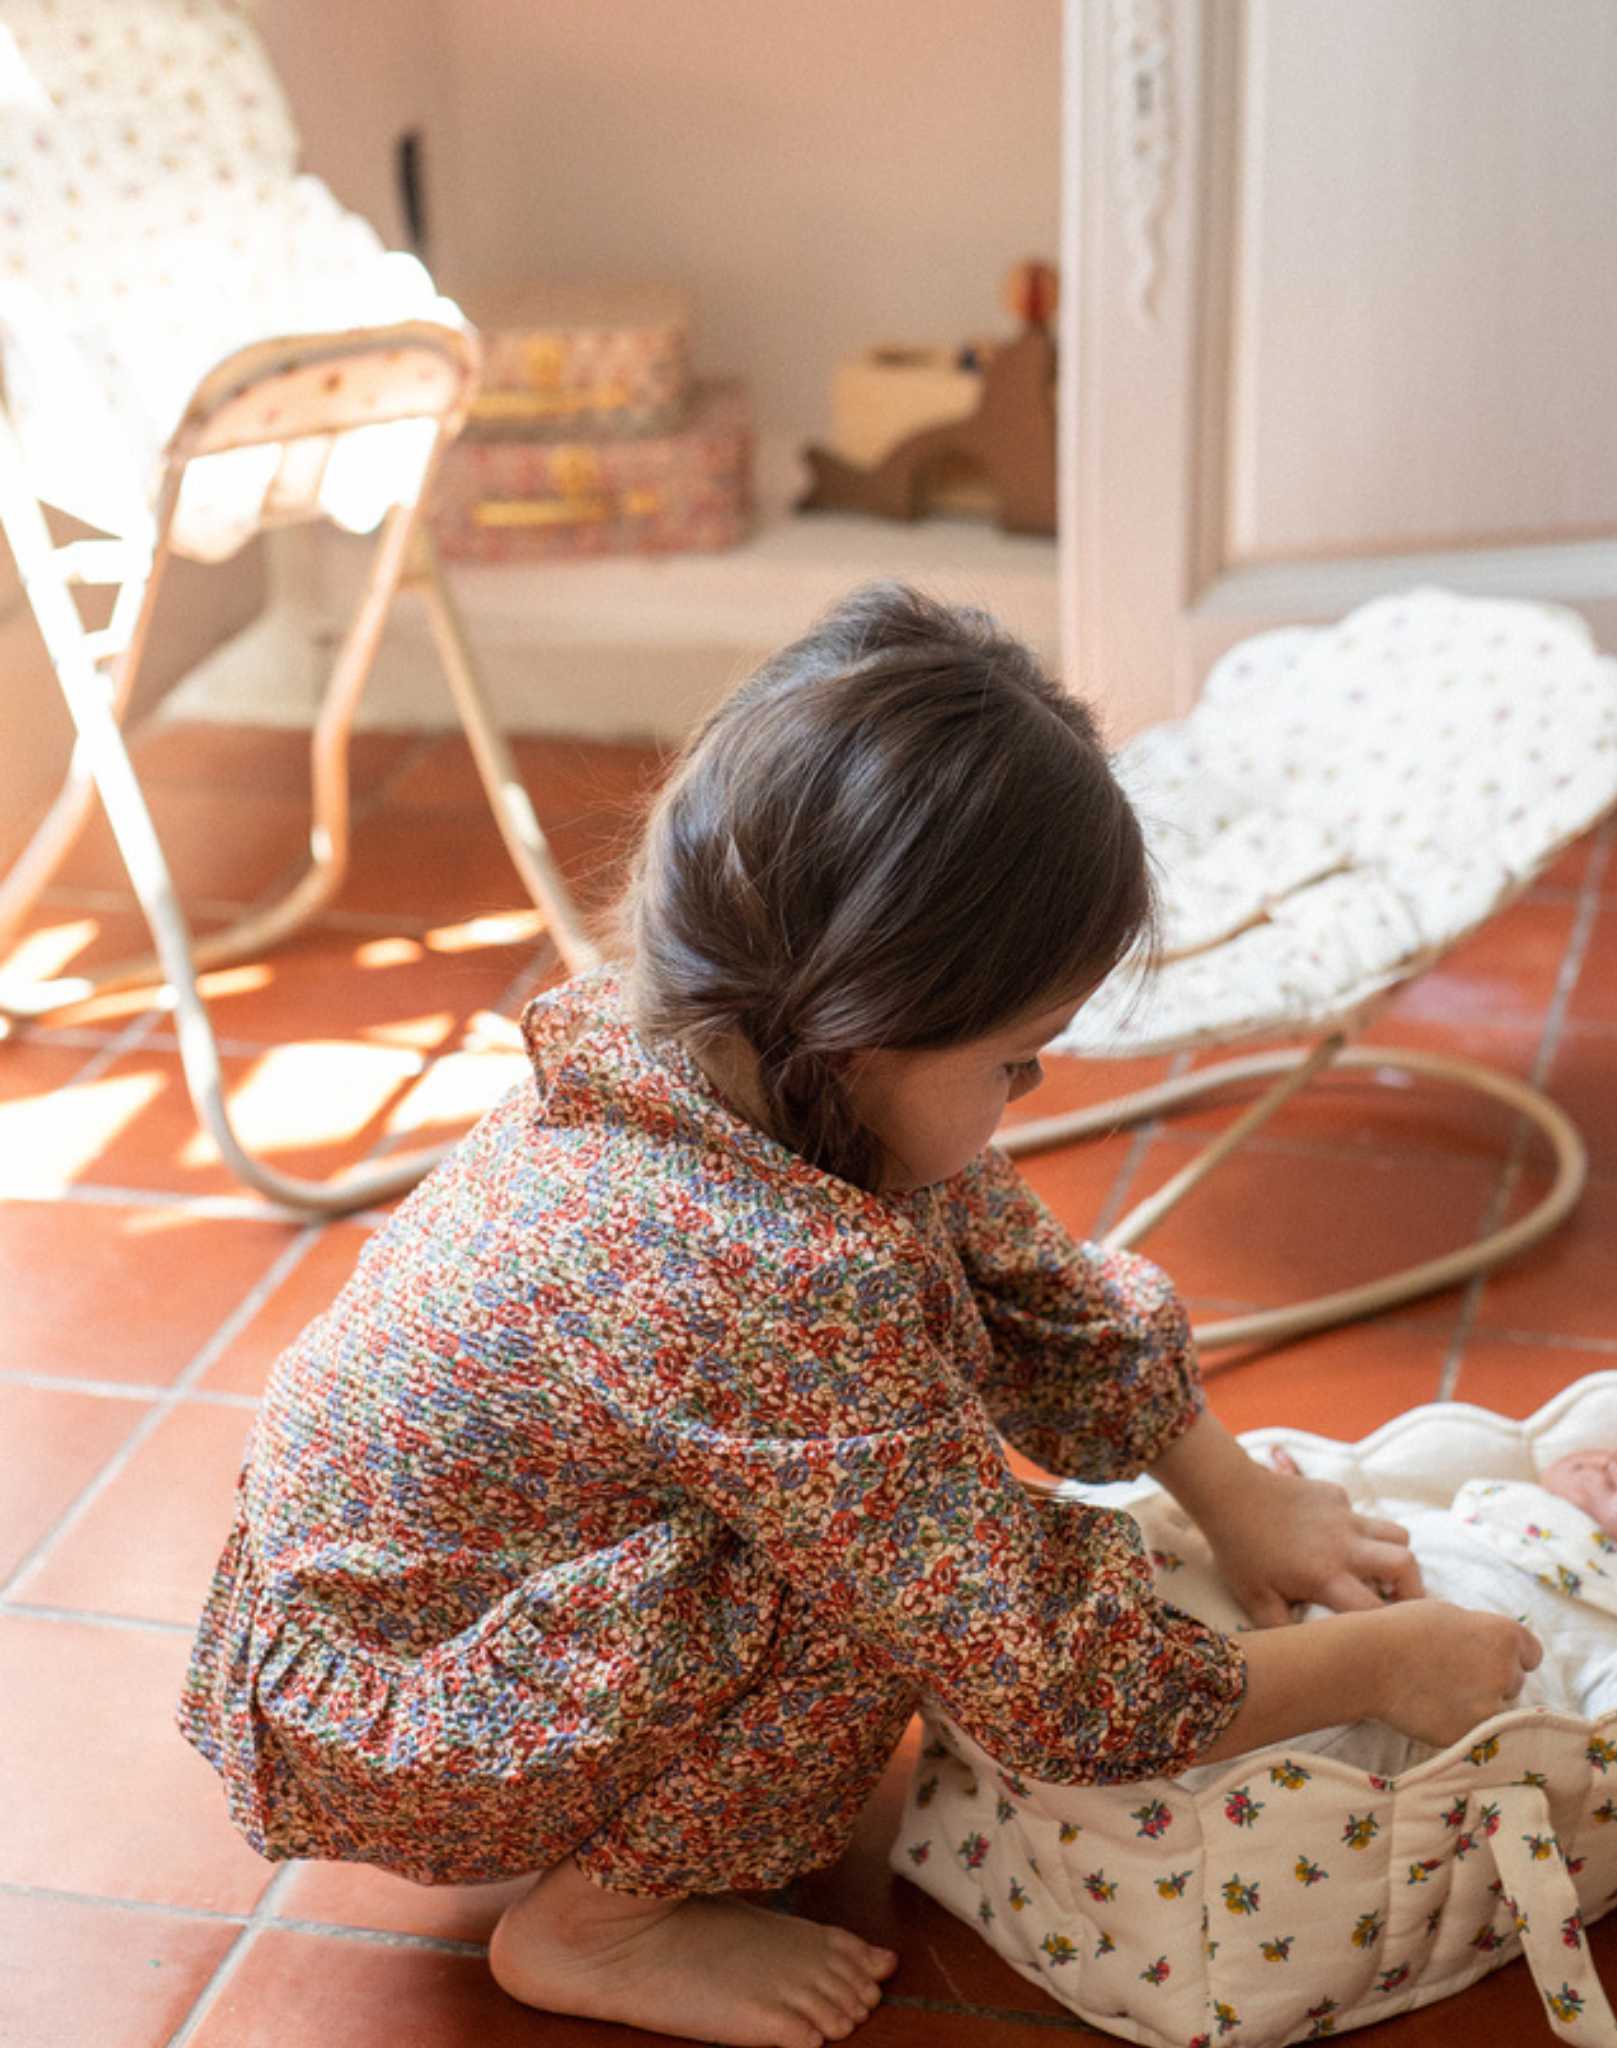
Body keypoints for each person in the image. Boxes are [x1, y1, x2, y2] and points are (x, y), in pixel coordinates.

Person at [177, 583, 1540, 2048]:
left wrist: (1236, 1497)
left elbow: (1031, 1284)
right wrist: (1384, 1664)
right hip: (411, 1717)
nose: (1025, 1100)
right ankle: (598, 1922)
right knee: (882, 1579)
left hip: (420, 1627)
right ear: (872, 1025)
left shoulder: (731, 1062)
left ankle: (631, 1839)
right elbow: (1043, 1672)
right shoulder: (761, 1276)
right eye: (1018, 1063)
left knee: (889, 1504)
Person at [1183, 1428, 1617, 1784]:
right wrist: (1295, 1493)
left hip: (1413, 1724)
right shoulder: (1504, 1506)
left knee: (1269, 1764)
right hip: (1308, 1625)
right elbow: (1398, 1533)